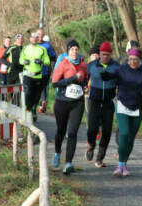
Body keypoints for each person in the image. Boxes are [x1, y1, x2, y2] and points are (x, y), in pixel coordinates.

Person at [101, 49, 142, 176]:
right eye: (130, 59)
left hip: (137, 107)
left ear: (140, 60)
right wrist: (105, 75)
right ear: (128, 59)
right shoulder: (122, 69)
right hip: (122, 105)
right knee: (124, 133)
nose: (132, 62)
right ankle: (119, 165)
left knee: (131, 138)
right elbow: (111, 75)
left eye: (135, 60)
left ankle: (124, 165)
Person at [51, 39, 88, 175]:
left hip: (77, 103)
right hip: (62, 102)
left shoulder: (83, 65)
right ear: (68, 51)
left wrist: (84, 86)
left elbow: (84, 80)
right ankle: (57, 152)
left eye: (76, 49)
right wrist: (72, 79)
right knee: (61, 130)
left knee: (72, 132)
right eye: (72, 49)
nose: (75, 51)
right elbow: (54, 83)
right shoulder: (63, 64)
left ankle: (68, 163)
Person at [85, 42, 120, 168]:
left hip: (108, 102)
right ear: (99, 54)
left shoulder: (116, 67)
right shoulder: (91, 65)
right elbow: (84, 78)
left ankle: (99, 158)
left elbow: (121, 81)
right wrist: (84, 86)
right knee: (92, 128)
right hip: (94, 101)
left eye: (107, 55)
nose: (104, 57)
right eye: (102, 54)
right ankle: (91, 145)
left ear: (111, 55)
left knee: (107, 131)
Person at [19, 32, 50, 122]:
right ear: (30, 39)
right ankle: (28, 111)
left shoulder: (42, 49)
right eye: (32, 38)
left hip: (38, 76)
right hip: (27, 75)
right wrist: (24, 62)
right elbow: (21, 60)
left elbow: (47, 61)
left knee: (36, 96)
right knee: (28, 93)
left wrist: (41, 61)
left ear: (38, 40)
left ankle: (33, 109)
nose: (34, 39)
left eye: (36, 38)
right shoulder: (25, 48)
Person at [36, 28, 57, 113]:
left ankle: (42, 104)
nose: (40, 36)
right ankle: (40, 104)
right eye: (38, 35)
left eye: (42, 35)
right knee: (37, 89)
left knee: (43, 88)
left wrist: (45, 58)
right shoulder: (31, 45)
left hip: (44, 71)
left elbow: (54, 57)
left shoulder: (47, 46)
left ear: (44, 36)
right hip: (33, 72)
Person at [1, 34, 24, 106]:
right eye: (18, 39)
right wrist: (9, 64)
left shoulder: (25, 49)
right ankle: (6, 105)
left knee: (18, 91)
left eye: (21, 39)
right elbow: (2, 58)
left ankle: (16, 107)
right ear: (16, 40)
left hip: (20, 73)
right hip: (11, 72)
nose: (20, 41)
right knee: (9, 91)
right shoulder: (11, 47)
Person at [0, 36, 11, 101]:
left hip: (9, 71)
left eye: (9, 41)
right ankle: (2, 100)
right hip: (1, 71)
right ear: (4, 42)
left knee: (9, 87)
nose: (8, 42)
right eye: (7, 41)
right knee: (2, 85)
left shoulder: (12, 49)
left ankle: (7, 100)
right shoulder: (0, 49)